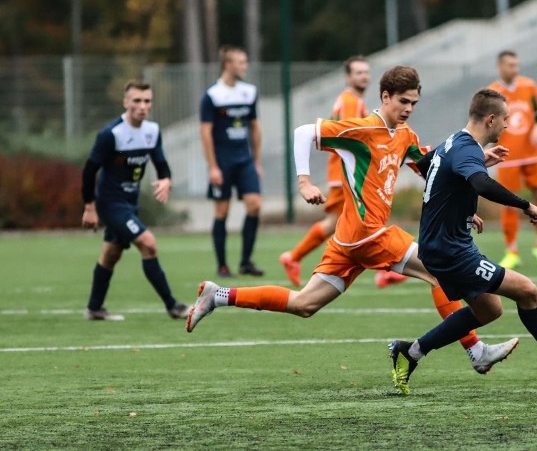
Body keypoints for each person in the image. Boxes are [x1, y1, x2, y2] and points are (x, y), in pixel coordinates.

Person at [187, 66, 519, 376]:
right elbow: (304, 133)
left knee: (305, 303)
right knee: (438, 270)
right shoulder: (361, 130)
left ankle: (218, 295)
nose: (408, 108)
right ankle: (476, 351)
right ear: (385, 97)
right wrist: (304, 182)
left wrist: (471, 184)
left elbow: (434, 171)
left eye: (414, 103)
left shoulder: (404, 136)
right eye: (403, 101)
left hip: (349, 239)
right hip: (368, 233)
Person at [388, 88, 537, 395]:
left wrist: (466, 212)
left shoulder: (453, 142)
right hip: (450, 251)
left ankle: (411, 352)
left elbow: (431, 169)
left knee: (489, 310)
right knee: (527, 291)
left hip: (444, 243)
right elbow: (481, 183)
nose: (508, 126)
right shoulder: (466, 149)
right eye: (506, 120)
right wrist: (525, 205)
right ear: (491, 119)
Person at [279, 55, 408, 289]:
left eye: (366, 72)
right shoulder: (350, 101)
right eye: (358, 72)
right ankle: (295, 257)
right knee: (354, 223)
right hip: (346, 173)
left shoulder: (354, 100)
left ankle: (295, 257)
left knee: (342, 223)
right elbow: (350, 137)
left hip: (345, 171)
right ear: (348, 77)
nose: (364, 76)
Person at [81, 80, 189, 321]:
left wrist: (166, 180)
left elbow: (161, 164)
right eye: (137, 101)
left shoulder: (152, 131)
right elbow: (90, 170)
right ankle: (173, 306)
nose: (142, 106)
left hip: (130, 205)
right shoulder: (112, 134)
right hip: (110, 204)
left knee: (111, 254)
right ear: (126, 102)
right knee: (148, 243)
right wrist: (89, 206)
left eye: (147, 101)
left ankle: (94, 308)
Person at [200, 45, 264, 278]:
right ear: (227, 65)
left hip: (244, 160)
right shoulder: (212, 96)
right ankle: (222, 265)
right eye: (240, 62)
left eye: (245, 61)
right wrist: (213, 166)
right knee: (222, 211)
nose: (244, 66)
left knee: (254, 204)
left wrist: (257, 161)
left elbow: (255, 127)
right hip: (223, 162)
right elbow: (205, 132)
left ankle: (246, 261)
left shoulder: (249, 92)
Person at [487, 50, 537, 269]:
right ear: (500, 67)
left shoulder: (529, 86)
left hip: (533, 153)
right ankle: (512, 251)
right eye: (510, 65)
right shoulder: (492, 92)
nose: (514, 69)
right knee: (508, 203)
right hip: (507, 156)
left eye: (516, 65)